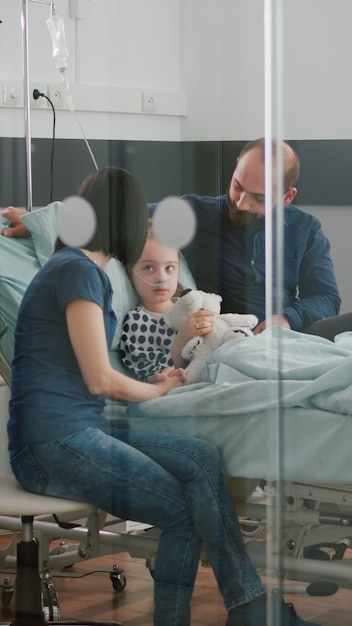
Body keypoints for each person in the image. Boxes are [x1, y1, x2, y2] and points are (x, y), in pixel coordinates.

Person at [5, 166, 320, 626]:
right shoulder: (76, 272)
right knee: (180, 512)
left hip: (81, 429)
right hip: (51, 444)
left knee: (203, 458)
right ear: (128, 224)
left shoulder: (82, 268)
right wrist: (158, 388)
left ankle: (247, 605)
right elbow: (100, 379)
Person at [149, 137, 352, 342]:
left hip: (291, 334)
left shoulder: (306, 228)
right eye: (238, 186)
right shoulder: (195, 212)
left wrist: (286, 319)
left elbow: (326, 297)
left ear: (287, 197)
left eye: (259, 198)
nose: (242, 204)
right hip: (228, 337)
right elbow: (129, 215)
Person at [120, 227, 215, 381]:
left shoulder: (192, 304)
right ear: (130, 273)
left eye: (169, 268)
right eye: (149, 268)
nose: (161, 277)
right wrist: (183, 337)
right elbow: (152, 377)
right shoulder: (137, 322)